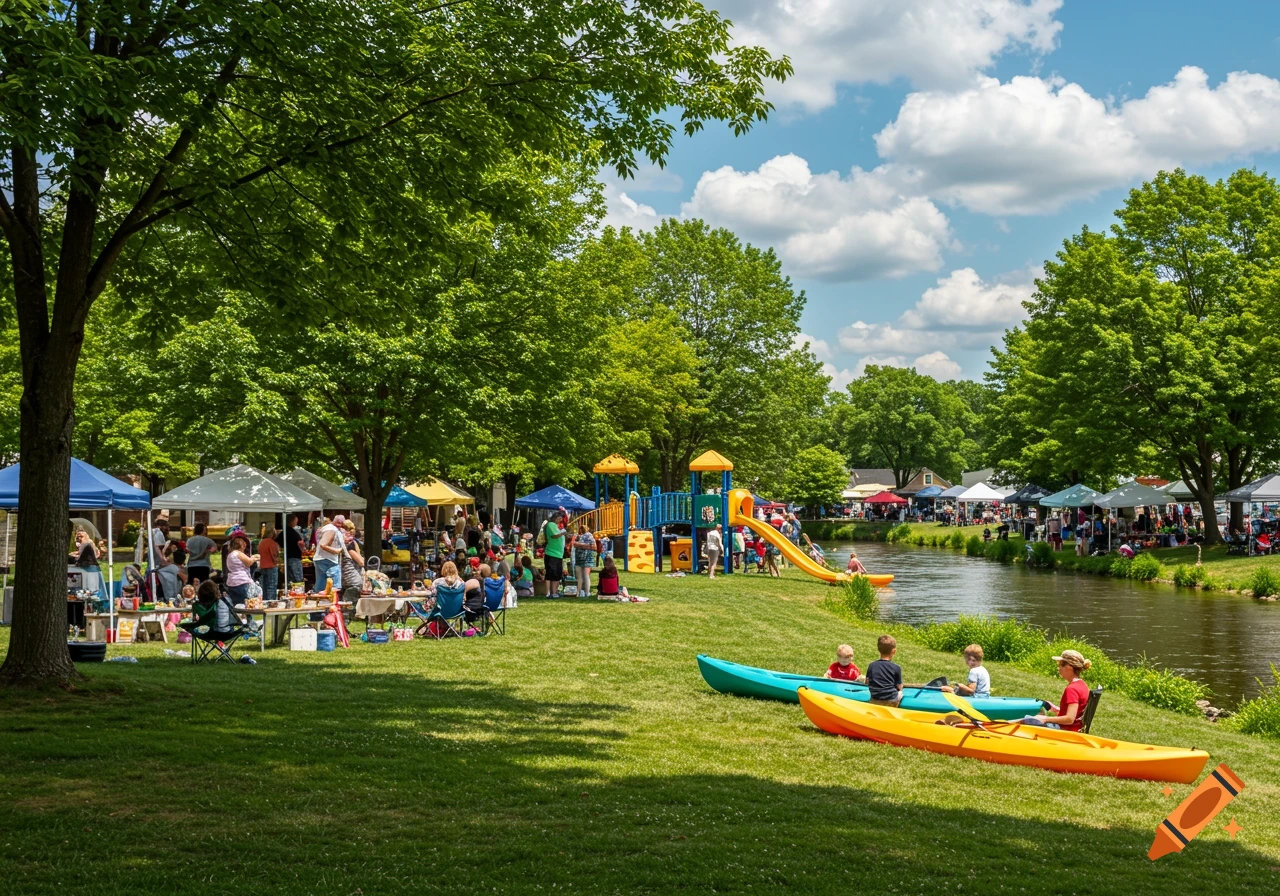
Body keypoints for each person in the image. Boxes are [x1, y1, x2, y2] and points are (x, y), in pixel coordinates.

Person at [1024, 649, 1093, 730]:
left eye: (1061, 665)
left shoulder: (1072, 689)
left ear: (1069, 667)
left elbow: (1070, 719)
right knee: (1035, 717)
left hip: (1065, 730)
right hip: (1073, 728)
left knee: (1027, 719)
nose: (1058, 668)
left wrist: (1046, 719)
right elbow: (1078, 712)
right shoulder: (1082, 685)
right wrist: (1058, 710)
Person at [865, 635, 903, 707]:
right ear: (894, 651)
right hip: (891, 700)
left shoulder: (872, 665)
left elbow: (867, 681)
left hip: (875, 699)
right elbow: (899, 686)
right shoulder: (896, 668)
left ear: (879, 649)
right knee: (900, 693)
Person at [223, 534, 259, 606]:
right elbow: (249, 562)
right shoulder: (238, 553)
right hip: (242, 581)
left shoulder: (230, 555)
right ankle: (248, 617)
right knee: (248, 603)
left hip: (232, 582)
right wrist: (255, 557)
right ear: (241, 546)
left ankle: (238, 617)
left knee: (237, 605)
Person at [313, 514, 344, 592]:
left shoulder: (328, 529)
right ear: (339, 523)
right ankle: (331, 603)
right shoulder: (331, 530)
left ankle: (320, 602)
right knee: (334, 588)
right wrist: (337, 551)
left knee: (321, 587)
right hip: (329, 561)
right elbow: (323, 544)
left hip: (321, 559)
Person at [338, 520, 365, 606]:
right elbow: (361, 562)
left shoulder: (341, 542)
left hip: (343, 577)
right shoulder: (349, 544)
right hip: (351, 579)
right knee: (349, 603)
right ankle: (348, 613)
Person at [542, 511, 568, 597]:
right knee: (552, 574)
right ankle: (552, 592)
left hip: (558, 554)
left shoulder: (556, 526)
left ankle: (555, 591)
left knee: (557, 574)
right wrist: (563, 533)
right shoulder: (551, 525)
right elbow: (554, 536)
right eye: (559, 518)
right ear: (556, 517)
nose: (560, 520)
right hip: (552, 553)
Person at [572, 524, 597, 597]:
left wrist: (579, 545)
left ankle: (579, 592)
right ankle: (586, 593)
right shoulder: (589, 536)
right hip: (587, 559)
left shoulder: (579, 537)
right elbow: (594, 547)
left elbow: (594, 547)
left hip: (581, 558)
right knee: (586, 576)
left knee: (580, 577)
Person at [257, 528, 280, 601]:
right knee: (271, 586)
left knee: (263, 586)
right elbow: (274, 554)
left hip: (262, 566)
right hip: (271, 566)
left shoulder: (261, 542)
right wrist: (277, 561)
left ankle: (264, 601)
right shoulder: (272, 542)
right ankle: (271, 602)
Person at [284, 514, 307, 587]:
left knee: (290, 579)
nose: (296, 522)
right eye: (295, 521)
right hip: (294, 557)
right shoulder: (292, 532)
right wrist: (303, 549)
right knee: (297, 579)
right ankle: (298, 593)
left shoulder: (286, 531)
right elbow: (300, 542)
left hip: (288, 557)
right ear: (292, 521)